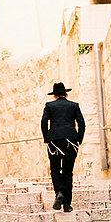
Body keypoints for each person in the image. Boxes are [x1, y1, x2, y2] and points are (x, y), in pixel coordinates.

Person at [41, 82, 85, 212]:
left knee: (55, 169)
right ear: (66, 94)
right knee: (67, 171)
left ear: (54, 95)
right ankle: (67, 205)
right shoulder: (74, 106)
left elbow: (44, 122)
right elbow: (81, 123)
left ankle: (59, 191)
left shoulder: (49, 105)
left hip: (54, 141)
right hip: (71, 141)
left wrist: (47, 138)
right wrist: (78, 139)